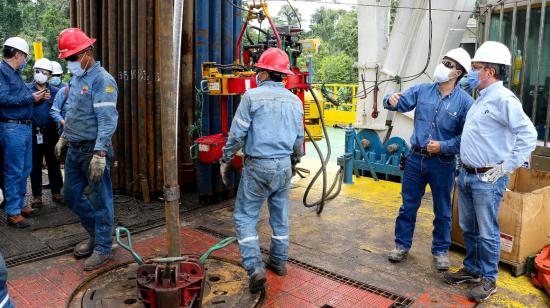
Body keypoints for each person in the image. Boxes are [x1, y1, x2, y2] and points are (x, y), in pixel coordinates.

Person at [444, 41, 537, 302]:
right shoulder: (481, 98)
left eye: (475, 67)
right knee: (468, 226)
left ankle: (488, 279)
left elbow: (528, 135)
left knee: (486, 231)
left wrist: (506, 167)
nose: (470, 72)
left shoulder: (503, 99)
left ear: (490, 72)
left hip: (487, 177)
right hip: (468, 174)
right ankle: (472, 269)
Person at [219, 48, 304, 293]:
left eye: (258, 70)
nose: (257, 74)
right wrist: (294, 160)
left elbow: (237, 135)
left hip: (258, 166)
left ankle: (254, 268)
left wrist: (225, 158)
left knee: (245, 217)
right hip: (283, 166)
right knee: (280, 216)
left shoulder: (252, 97)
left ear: (266, 73)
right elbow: (299, 140)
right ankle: (278, 262)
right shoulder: (295, 101)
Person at [384, 48, 474, 271]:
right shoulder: (423, 91)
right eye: (443, 61)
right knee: (408, 206)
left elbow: (466, 137)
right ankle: (401, 245)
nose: (442, 66)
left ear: (458, 73)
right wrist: (390, 98)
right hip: (415, 159)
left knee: (442, 210)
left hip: (443, 163)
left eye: (448, 63)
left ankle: (440, 250)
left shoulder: (465, 103)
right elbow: (398, 103)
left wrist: (443, 146)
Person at [55, 28, 118, 271]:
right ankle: (96, 235)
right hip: (75, 148)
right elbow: (72, 113)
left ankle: (103, 247)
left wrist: (100, 153)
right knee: (71, 196)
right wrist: (64, 137)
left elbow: (107, 119)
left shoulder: (102, 80)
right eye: (68, 59)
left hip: (93, 149)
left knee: (101, 200)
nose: (70, 63)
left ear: (87, 53)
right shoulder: (77, 78)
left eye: (73, 58)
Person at [0, 37, 45, 228]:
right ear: (17, 54)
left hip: (23, 127)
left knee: (25, 168)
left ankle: (18, 205)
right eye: (25, 56)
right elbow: (2, 97)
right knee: (14, 170)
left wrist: (36, 92)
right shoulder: (1, 71)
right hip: (12, 127)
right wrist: (30, 97)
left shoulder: (14, 73)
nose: (25, 60)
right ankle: (13, 212)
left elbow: (18, 93)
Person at [27, 58, 64, 207]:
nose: (40, 74)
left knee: (53, 162)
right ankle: (37, 196)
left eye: (44, 72)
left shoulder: (56, 92)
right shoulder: (26, 90)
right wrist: (34, 100)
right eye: (37, 71)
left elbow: (61, 111)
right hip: (32, 132)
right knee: (34, 164)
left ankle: (56, 192)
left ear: (50, 76)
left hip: (51, 132)